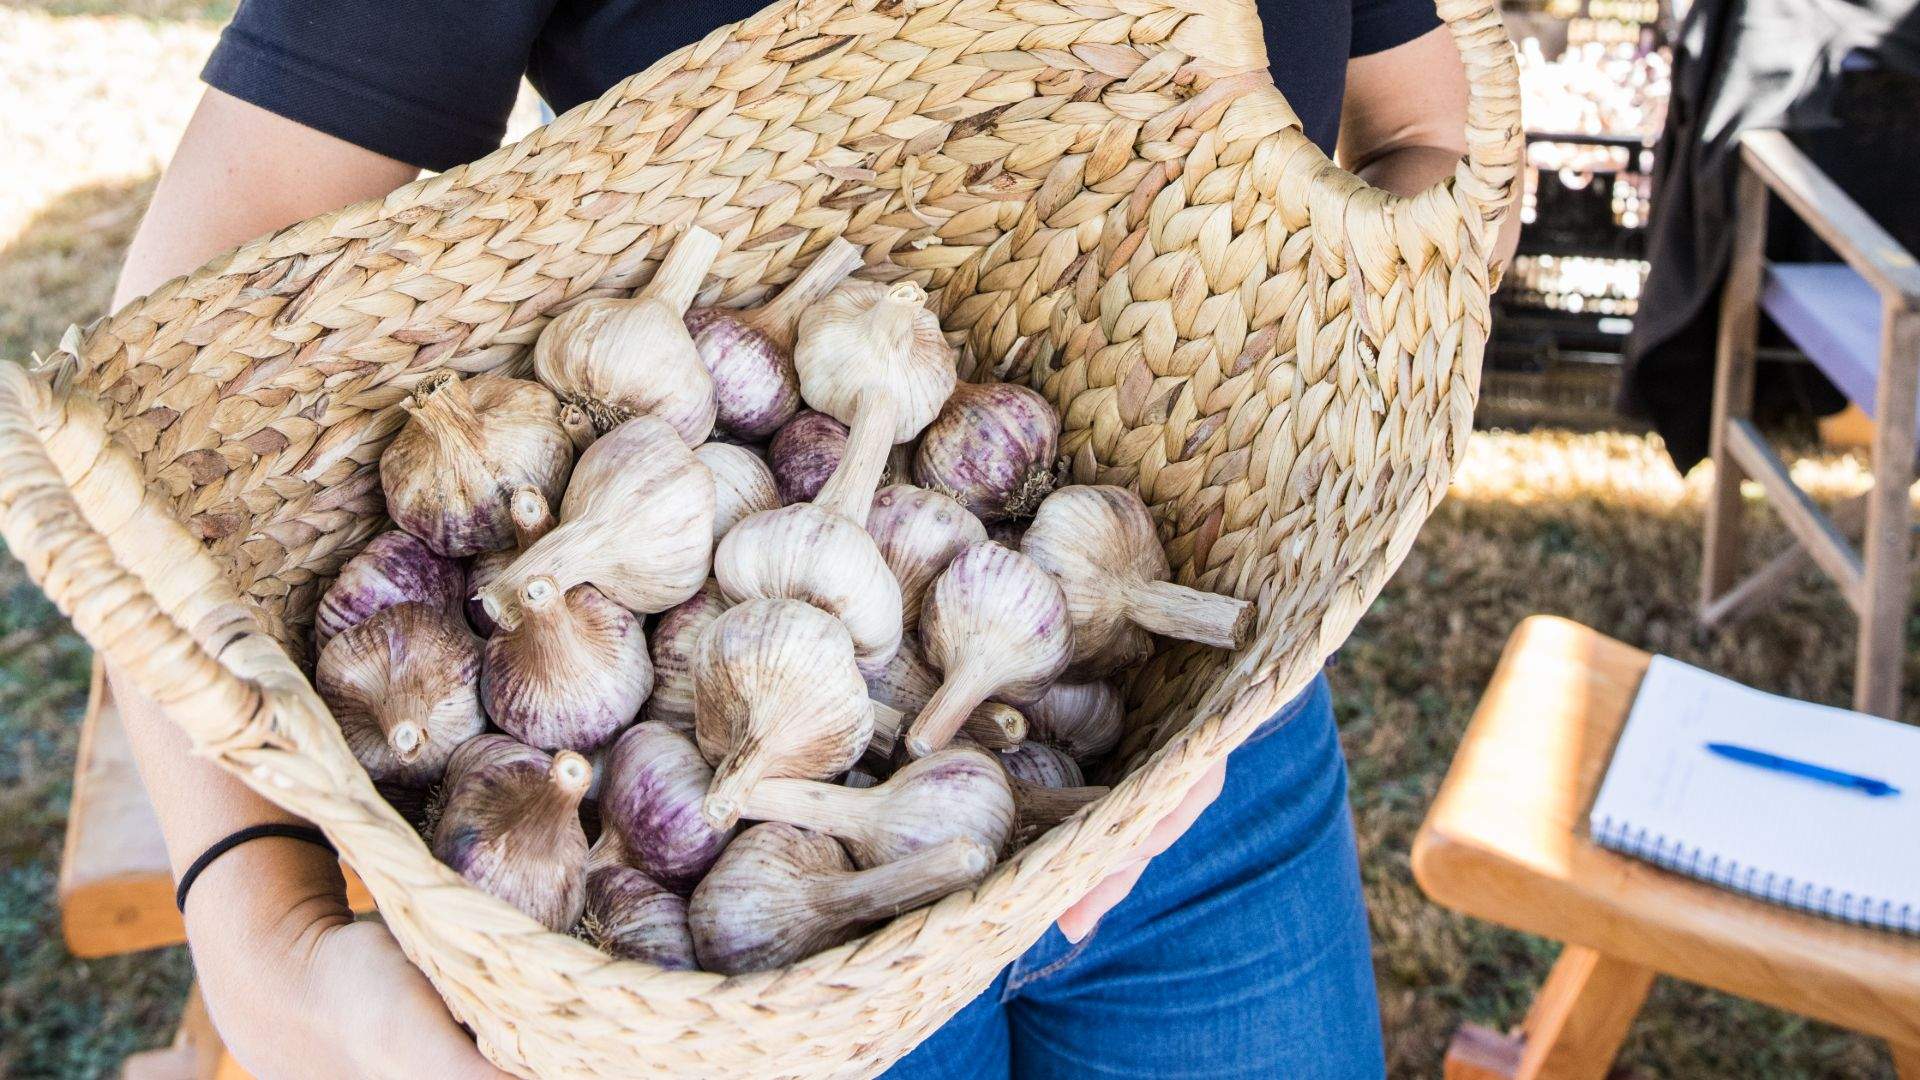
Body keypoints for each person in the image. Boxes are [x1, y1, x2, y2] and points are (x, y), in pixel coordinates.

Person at [112, 2, 1519, 1077]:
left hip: (1201, 756)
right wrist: (263, 939)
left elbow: (1424, 132)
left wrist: (1294, 438)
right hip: (740, 953)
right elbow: (167, 371)